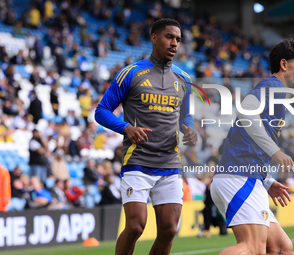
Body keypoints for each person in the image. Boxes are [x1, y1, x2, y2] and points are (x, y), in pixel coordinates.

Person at [95, 18, 197, 255]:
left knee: (170, 229)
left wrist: (188, 128)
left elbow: (185, 116)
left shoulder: (184, 79)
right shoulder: (130, 73)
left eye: (178, 39)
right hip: (137, 162)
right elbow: (101, 111)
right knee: (135, 226)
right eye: (169, 37)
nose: (175, 43)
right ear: (154, 38)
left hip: (170, 164)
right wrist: (126, 128)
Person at [210, 39, 294, 255]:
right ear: (284, 64)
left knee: (282, 247)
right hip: (239, 178)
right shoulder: (273, 86)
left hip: (248, 177)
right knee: (252, 248)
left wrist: (266, 181)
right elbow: (245, 112)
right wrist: (275, 152)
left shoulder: (278, 94)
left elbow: (247, 141)